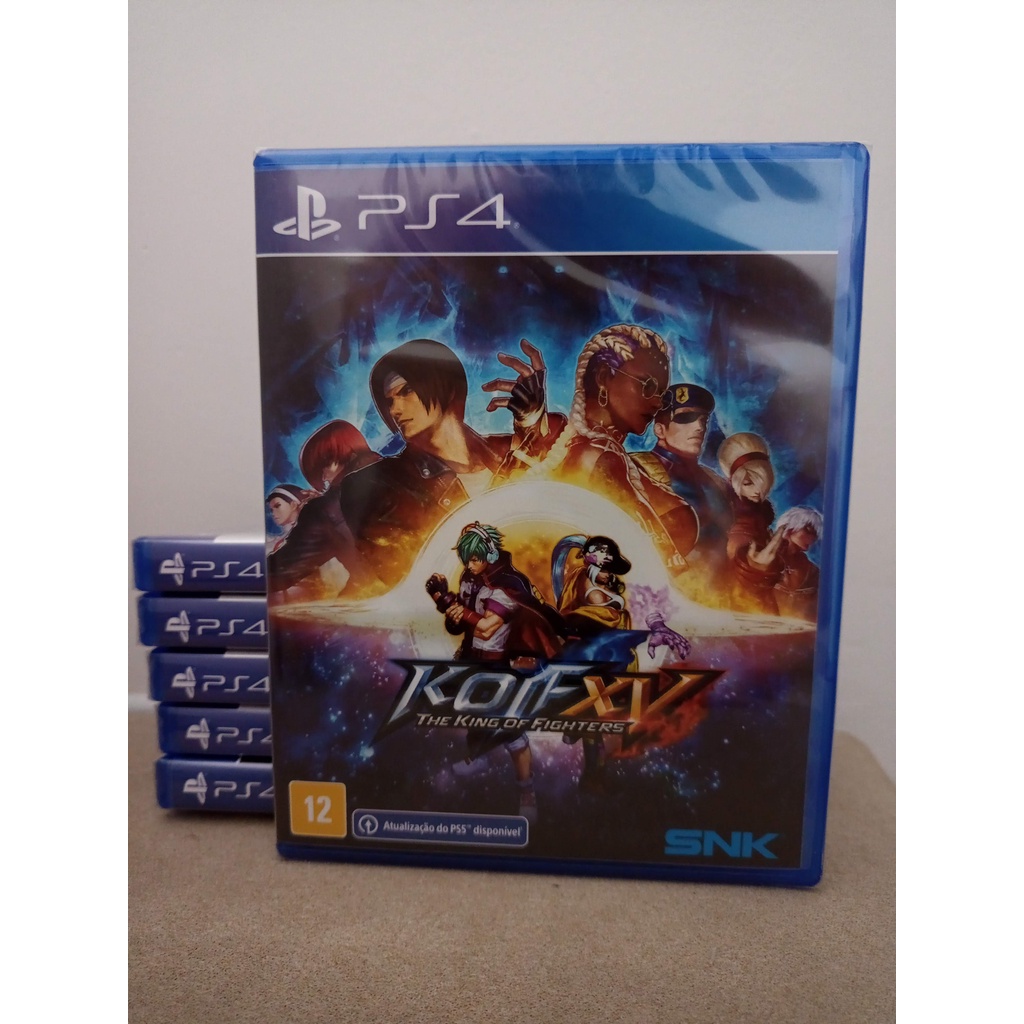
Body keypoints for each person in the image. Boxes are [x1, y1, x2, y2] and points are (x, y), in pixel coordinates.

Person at [341, 338, 565, 588]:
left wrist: (534, 425)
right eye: (390, 401)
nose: (394, 410)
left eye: (406, 391)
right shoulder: (375, 486)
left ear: (447, 387)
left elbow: (574, 496)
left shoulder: (509, 452)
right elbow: (415, 577)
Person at [425, 523, 563, 819]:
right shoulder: (469, 576)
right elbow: (460, 625)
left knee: (511, 731)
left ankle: (526, 789)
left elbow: (487, 628)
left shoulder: (509, 583)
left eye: (474, 559)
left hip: (503, 663)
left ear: (489, 553)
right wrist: (445, 602)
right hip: (473, 659)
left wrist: (453, 606)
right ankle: (477, 756)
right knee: (473, 714)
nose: (469, 565)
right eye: (466, 559)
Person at [555, 324, 698, 575]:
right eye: (648, 386)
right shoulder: (597, 455)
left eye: (662, 395)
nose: (657, 403)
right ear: (604, 378)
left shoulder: (612, 457)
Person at [551, 534, 690, 791]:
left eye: (610, 569)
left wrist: (657, 625)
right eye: (603, 567)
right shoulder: (582, 581)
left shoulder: (610, 587)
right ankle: (593, 775)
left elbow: (641, 603)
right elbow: (591, 610)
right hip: (585, 659)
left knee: (598, 718)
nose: (607, 574)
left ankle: (591, 762)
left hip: (608, 660)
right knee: (591, 719)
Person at [630, 383, 733, 601]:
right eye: (686, 418)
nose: (699, 427)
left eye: (703, 420)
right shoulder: (635, 470)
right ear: (660, 429)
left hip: (723, 598)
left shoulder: (716, 482)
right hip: (661, 598)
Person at [267, 420, 382, 599]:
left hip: (375, 599)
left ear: (343, 453)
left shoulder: (325, 510)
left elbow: (280, 572)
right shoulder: (403, 471)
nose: (323, 477)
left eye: (324, 465)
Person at [717, 432, 784, 612]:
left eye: (761, 483)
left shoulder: (759, 517)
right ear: (735, 481)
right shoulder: (736, 522)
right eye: (748, 483)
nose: (757, 491)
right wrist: (753, 569)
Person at [772, 505, 823, 621]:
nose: (813, 538)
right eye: (809, 530)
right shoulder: (766, 558)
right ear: (791, 528)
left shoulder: (812, 571)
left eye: (815, 534)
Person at [265, 484, 313, 554]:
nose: (273, 513)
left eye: (277, 506)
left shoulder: (307, 533)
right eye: (271, 509)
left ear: (293, 505)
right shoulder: (275, 541)